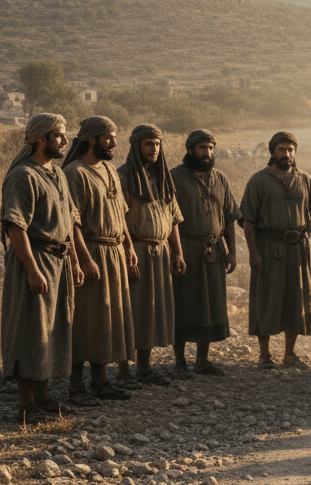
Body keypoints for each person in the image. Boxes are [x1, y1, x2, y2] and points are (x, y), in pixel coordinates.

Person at [1, 114, 85, 423]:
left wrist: (74, 261)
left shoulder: (58, 175)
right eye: (60, 136)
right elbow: (15, 227)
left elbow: (68, 224)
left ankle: (44, 397)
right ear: (42, 140)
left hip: (59, 262)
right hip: (34, 261)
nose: (65, 141)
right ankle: (26, 405)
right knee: (30, 330)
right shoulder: (23, 176)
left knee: (53, 328)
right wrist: (33, 270)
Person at [63, 115, 138, 403]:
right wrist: (84, 259)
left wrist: (129, 248)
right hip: (91, 251)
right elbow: (72, 223)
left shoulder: (110, 171)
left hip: (115, 252)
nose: (114, 143)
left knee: (107, 318)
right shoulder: (75, 173)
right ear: (92, 139)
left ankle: (100, 381)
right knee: (84, 319)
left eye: (115, 137)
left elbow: (121, 215)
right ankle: (75, 386)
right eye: (108, 138)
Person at [240, 131, 311, 368]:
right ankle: (264, 355)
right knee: (266, 298)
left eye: (290, 150)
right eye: (281, 149)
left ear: (295, 153)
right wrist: (253, 252)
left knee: (295, 299)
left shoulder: (305, 180)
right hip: (269, 247)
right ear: (272, 152)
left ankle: (290, 354)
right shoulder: (258, 181)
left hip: (298, 248)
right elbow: (248, 220)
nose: (286, 154)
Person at [116, 124, 185, 388]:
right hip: (136, 250)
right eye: (148, 144)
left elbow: (174, 219)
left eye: (157, 144)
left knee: (153, 310)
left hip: (161, 252)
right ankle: (123, 371)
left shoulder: (163, 177)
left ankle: (144, 369)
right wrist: (127, 252)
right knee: (130, 310)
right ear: (136, 147)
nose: (154, 149)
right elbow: (118, 219)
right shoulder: (123, 178)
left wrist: (177, 252)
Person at [170, 129, 241, 376]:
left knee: (210, 304)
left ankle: (202, 361)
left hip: (214, 249)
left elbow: (230, 217)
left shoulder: (220, 178)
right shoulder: (175, 177)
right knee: (183, 303)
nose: (207, 153)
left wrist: (232, 252)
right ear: (190, 150)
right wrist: (176, 252)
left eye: (211, 148)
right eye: (202, 148)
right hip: (186, 248)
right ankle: (179, 362)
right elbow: (170, 220)